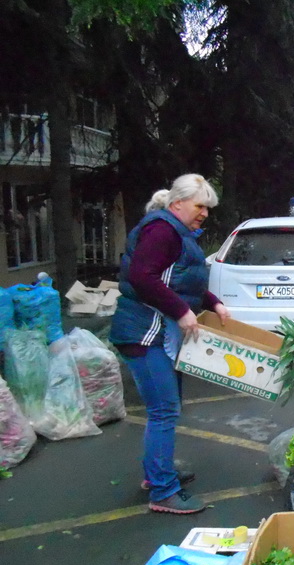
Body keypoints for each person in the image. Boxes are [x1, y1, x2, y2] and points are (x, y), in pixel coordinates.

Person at [110, 174, 230, 514]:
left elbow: (179, 281)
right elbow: (142, 277)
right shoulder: (161, 230)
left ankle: (158, 471)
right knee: (164, 410)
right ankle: (162, 491)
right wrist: (181, 312)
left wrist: (212, 301)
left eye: (208, 207)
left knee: (167, 405)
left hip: (159, 334)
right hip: (145, 332)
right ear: (178, 203)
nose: (205, 213)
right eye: (200, 206)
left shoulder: (176, 232)